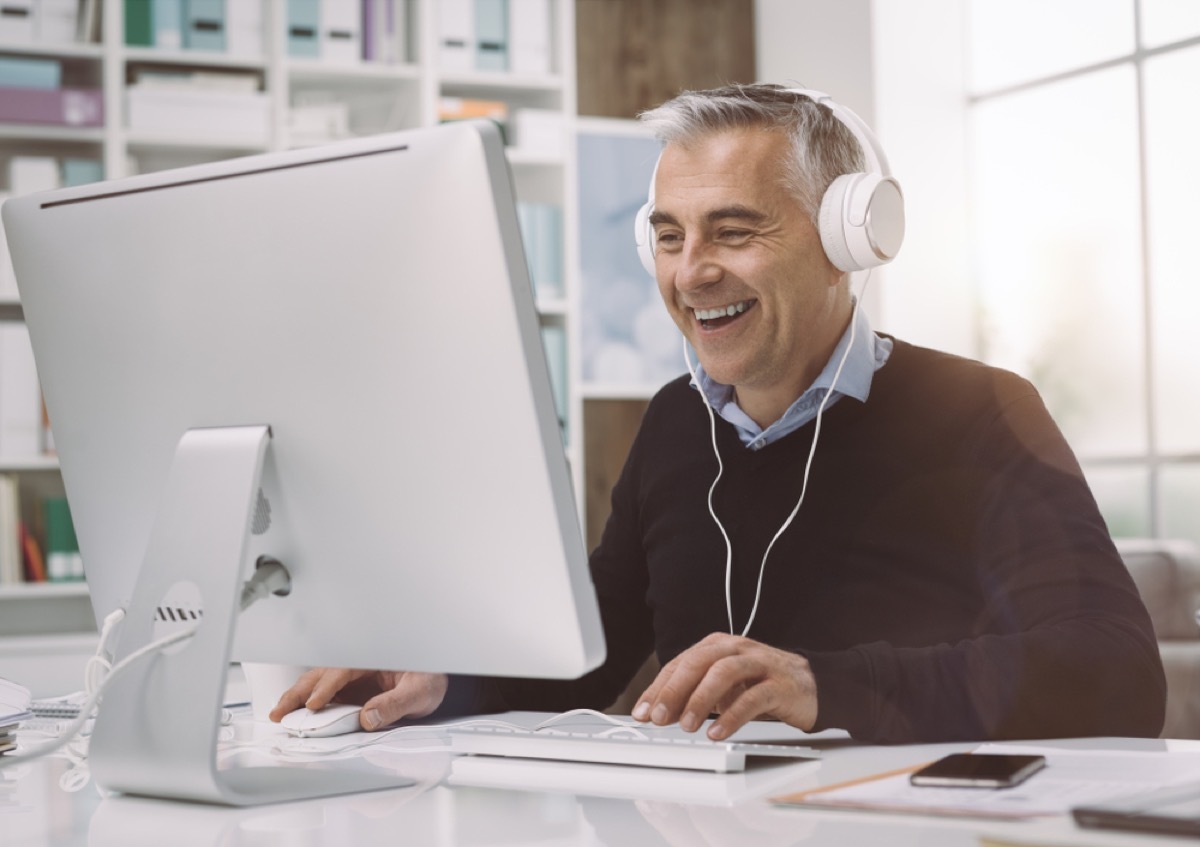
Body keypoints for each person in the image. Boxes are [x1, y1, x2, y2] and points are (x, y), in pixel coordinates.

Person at [271, 83, 1165, 744]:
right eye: (668, 235)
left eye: (733, 232)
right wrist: (443, 678)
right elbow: (595, 645)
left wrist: (824, 687)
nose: (690, 271)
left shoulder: (978, 410)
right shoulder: (672, 422)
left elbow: (1117, 670)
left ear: (848, 240)